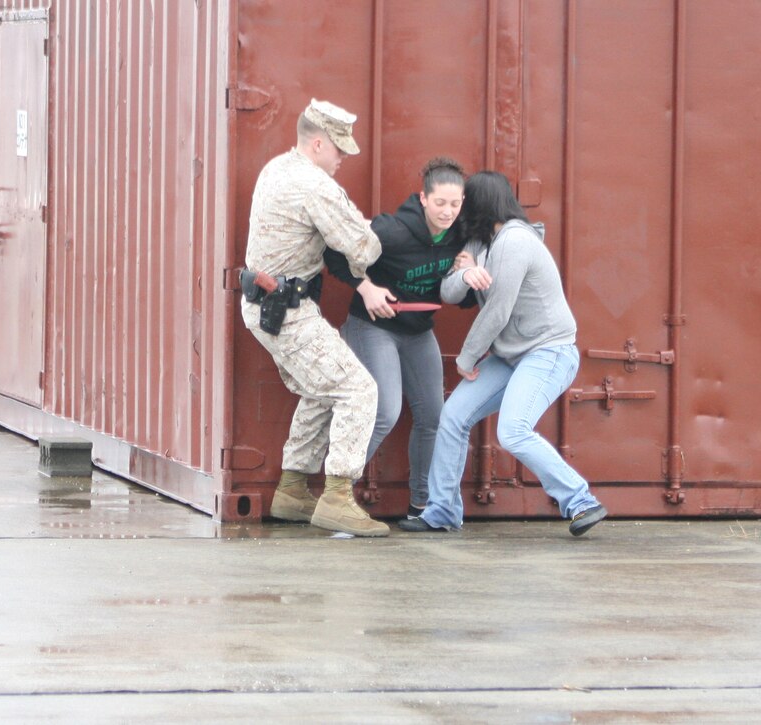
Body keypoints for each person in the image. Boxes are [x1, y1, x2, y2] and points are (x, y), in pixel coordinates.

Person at [398, 171, 607, 536]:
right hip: (511, 356)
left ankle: (580, 500)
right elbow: (447, 291)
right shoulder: (481, 243)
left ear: (479, 204)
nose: (458, 212)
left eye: (465, 203)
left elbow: (498, 310)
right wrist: (465, 276)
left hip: (548, 351)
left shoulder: (515, 241)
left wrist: (466, 359)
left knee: (512, 431)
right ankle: (442, 512)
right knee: (453, 417)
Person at [241, 99, 389, 537]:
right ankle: (338, 497)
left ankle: (292, 489)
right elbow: (364, 248)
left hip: (268, 306)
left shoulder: (276, 168)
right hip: (287, 310)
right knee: (358, 389)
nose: (344, 158)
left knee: (320, 388)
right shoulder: (313, 184)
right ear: (319, 143)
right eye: (339, 150)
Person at [325, 157, 467, 520]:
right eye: (440, 203)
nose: (448, 211)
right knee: (384, 412)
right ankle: (335, 499)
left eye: (455, 203)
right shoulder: (393, 230)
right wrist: (366, 286)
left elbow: (463, 300)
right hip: (373, 327)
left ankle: (422, 505)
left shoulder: (461, 237)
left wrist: (465, 276)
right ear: (423, 198)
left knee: (434, 416)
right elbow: (333, 252)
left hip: (418, 331)